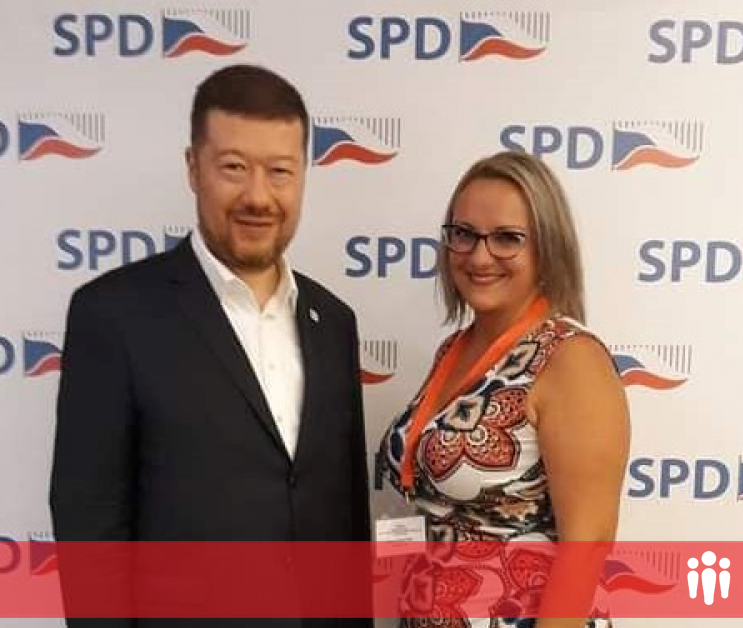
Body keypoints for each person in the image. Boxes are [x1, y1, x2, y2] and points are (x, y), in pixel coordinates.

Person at [50, 64, 371, 627]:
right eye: (233, 168)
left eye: (279, 171)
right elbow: (89, 527)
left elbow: (345, 521)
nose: (258, 196)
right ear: (193, 169)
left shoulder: (334, 322)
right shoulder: (114, 315)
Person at [376, 151, 631, 627]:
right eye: (464, 234)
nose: (479, 255)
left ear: (547, 249)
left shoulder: (571, 359)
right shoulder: (455, 348)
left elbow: (588, 546)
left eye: (507, 238)